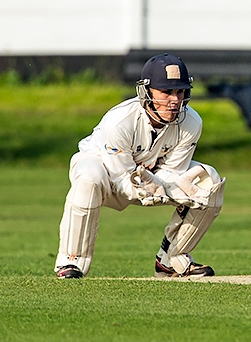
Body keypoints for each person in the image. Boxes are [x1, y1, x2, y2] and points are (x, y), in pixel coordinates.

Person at [54, 53, 225, 279]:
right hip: (106, 169)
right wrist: (146, 186)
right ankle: (71, 261)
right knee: (89, 177)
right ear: (147, 92)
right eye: (166, 92)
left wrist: (159, 183)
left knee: (208, 180)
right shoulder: (119, 121)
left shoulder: (191, 122)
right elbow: (119, 178)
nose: (175, 100)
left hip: (151, 174)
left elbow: (174, 170)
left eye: (180, 91)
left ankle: (172, 261)